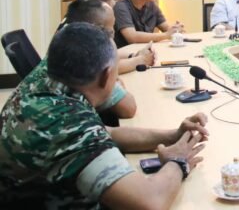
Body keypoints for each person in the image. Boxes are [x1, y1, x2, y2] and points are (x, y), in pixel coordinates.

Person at [0, 23, 208, 208]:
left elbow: (107, 133)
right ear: (107, 76)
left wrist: (172, 135)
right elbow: (151, 201)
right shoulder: (66, 122)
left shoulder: (46, 81)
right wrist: (178, 162)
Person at [64, 0, 137, 119]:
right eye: (111, 31)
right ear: (97, 31)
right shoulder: (86, 59)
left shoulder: (64, 45)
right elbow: (128, 107)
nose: (113, 34)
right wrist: (115, 81)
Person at [69, 0, 156, 70]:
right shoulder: (82, 31)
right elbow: (107, 68)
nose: (114, 3)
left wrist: (134, 55)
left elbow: (107, 54)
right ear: (93, 3)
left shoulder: (78, 17)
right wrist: (142, 59)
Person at [113, 0, 184, 48]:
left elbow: (165, 27)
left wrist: (175, 29)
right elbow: (132, 37)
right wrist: (166, 35)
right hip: (127, 53)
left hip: (147, 51)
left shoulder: (152, 5)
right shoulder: (121, 7)